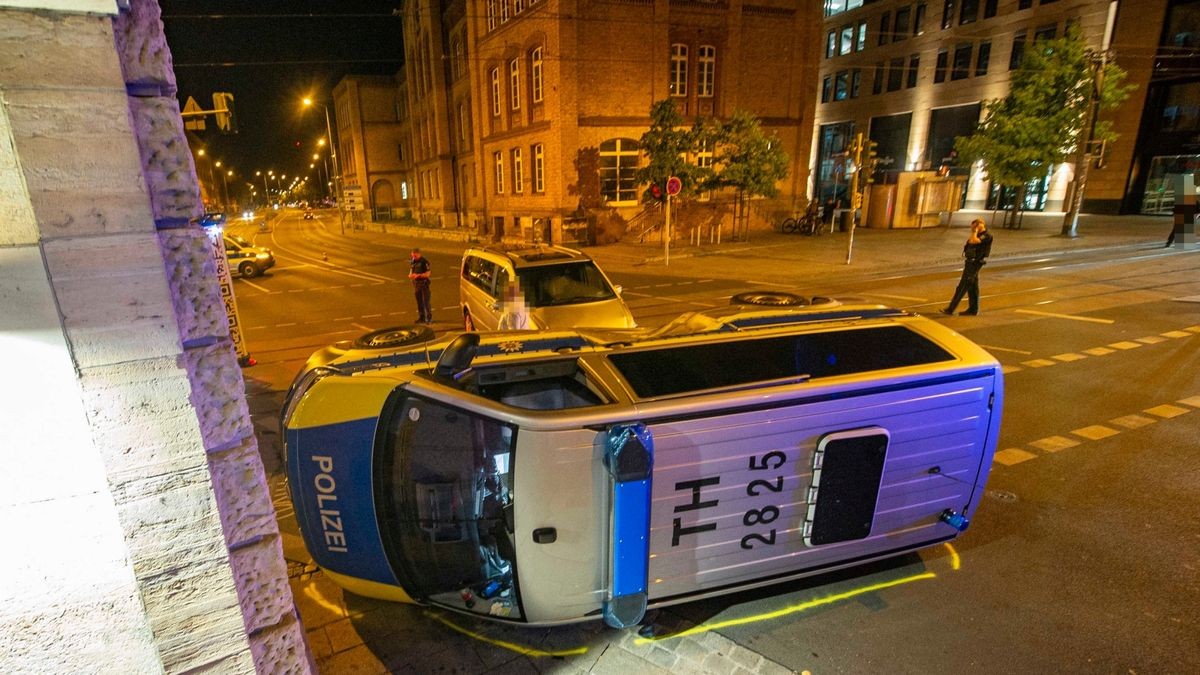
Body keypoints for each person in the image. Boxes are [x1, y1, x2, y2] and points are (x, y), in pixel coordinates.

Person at [941, 218, 993, 316]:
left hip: (975, 263)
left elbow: (974, 241)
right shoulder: (977, 234)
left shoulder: (987, 235)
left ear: (980, 225)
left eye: (974, 226)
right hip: (970, 262)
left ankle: (950, 309)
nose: (973, 229)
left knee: (963, 286)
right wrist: (974, 232)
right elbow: (969, 242)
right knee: (973, 287)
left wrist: (975, 231)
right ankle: (973, 309)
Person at [408, 248, 432, 324]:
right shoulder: (413, 261)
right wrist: (411, 275)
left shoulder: (424, 262)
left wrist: (418, 276)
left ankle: (429, 318)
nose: (414, 257)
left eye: (415, 256)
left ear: (419, 254)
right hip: (416, 284)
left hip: (424, 284)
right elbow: (411, 269)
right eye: (413, 255)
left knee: (426, 302)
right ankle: (421, 317)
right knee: (419, 302)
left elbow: (428, 274)